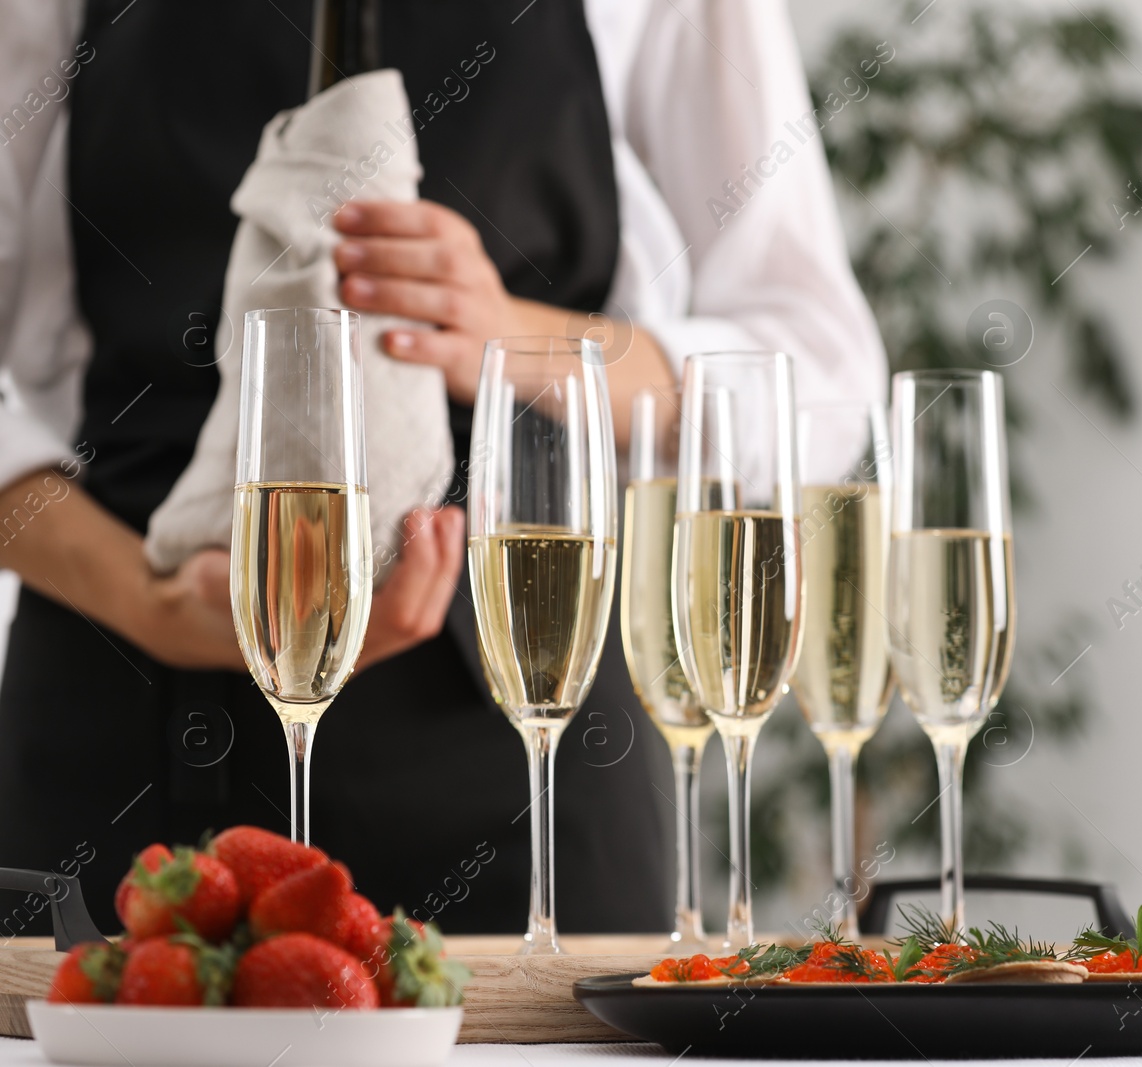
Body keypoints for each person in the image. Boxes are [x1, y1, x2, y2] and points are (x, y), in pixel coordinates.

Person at [0, 0, 884, 936]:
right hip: (126, 731)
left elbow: (819, 374)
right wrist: (145, 598)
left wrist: (511, 334)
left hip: (534, 754)